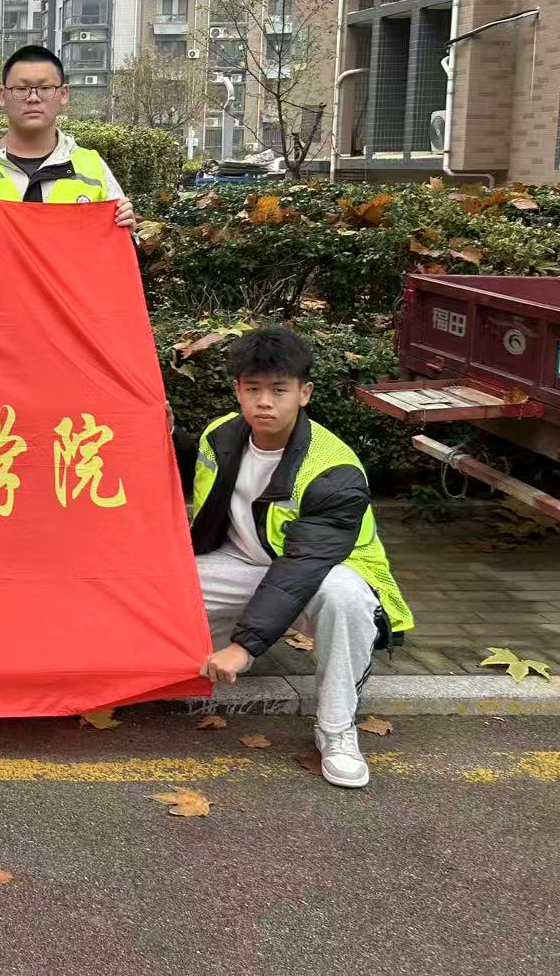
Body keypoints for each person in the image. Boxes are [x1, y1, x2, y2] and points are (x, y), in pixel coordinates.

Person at [182, 326, 414, 789]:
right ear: (238, 391)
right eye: (253, 390)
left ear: (304, 394)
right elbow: (184, 473)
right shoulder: (220, 434)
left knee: (345, 597)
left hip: (324, 575)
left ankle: (336, 729)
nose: (264, 402)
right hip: (240, 565)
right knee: (153, 587)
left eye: (279, 390)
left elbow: (302, 568)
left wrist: (245, 647)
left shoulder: (333, 469)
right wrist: (166, 431)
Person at [0, 44, 138, 232]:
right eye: (21, 89)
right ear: (2, 96)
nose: (33, 98)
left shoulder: (93, 167)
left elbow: (117, 250)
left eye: (45, 88)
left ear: (64, 94)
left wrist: (127, 230)